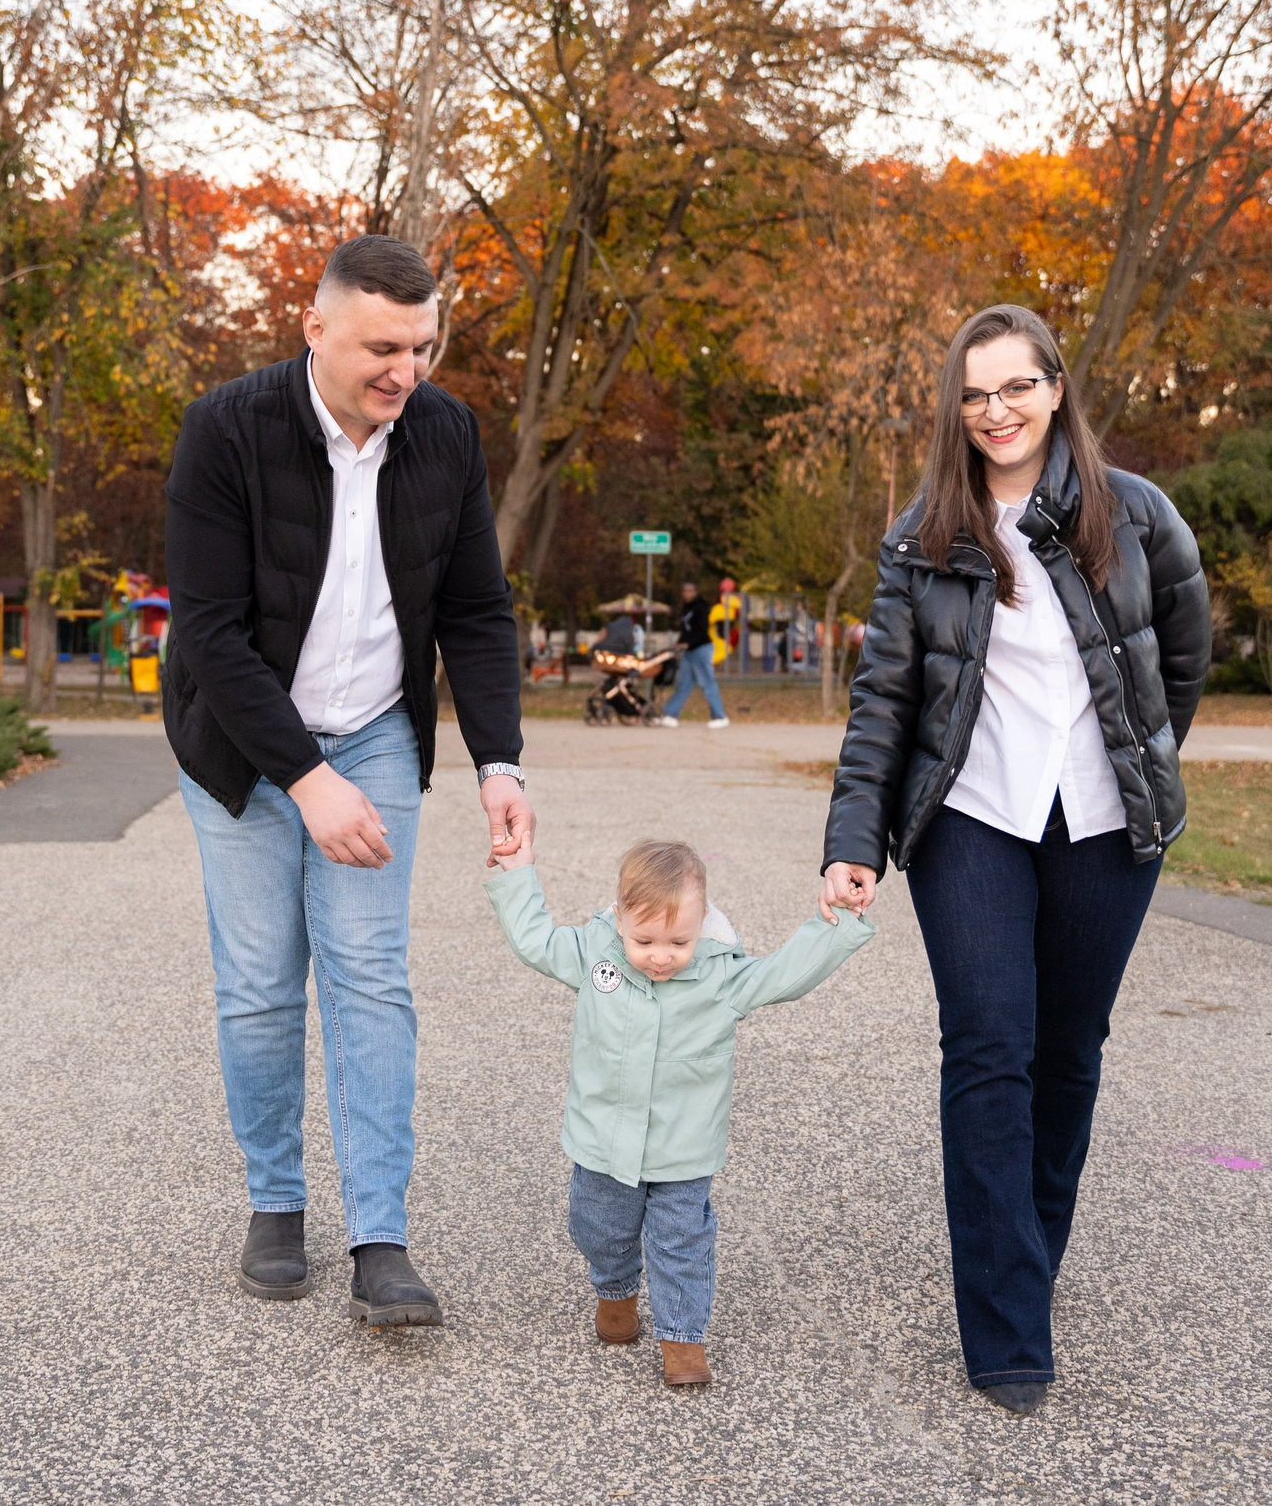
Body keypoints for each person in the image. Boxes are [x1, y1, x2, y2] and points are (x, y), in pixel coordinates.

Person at [817, 303, 1208, 1418]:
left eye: (1015, 389)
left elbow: (1175, 662)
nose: (995, 412)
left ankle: (1026, 1249)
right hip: (972, 823)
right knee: (989, 1048)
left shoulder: (1135, 514)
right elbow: (884, 701)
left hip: (1100, 825)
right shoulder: (920, 534)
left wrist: (1133, 758)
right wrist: (855, 843)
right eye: (974, 394)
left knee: (1066, 1052)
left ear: (1056, 389)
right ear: (955, 407)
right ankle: (1005, 1327)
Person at [163, 233, 534, 1327]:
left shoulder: (446, 431)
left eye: (422, 347)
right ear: (314, 328)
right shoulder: (225, 430)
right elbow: (212, 634)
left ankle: (381, 1233)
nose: (404, 373)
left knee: (370, 977)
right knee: (263, 982)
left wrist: (499, 760)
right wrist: (306, 781)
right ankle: (275, 1203)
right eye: (382, 347)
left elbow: (474, 610)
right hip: (241, 744)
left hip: (374, 730)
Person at [486, 836, 872, 1387]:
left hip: (683, 1148)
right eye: (644, 940)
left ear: (703, 924)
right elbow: (534, 940)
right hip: (603, 1138)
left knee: (681, 1241)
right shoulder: (596, 953)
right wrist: (516, 872)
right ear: (619, 919)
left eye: (678, 941)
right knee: (598, 1226)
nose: (661, 955)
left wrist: (839, 922)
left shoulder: (719, 974)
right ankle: (615, 1292)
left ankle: (682, 1337)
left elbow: (786, 973)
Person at [658, 580, 729, 728]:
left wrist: (688, 644)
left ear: (695, 592)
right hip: (689, 653)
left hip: (701, 649)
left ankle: (720, 716)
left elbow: (702, 631)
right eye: (684, 591)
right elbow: (686, 632)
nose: (687, 594)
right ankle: (671, 714)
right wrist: (678, 644)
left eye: (690, 591)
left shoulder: (701, 608)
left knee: (707, 682)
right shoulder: (686, 609)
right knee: (683, 684)